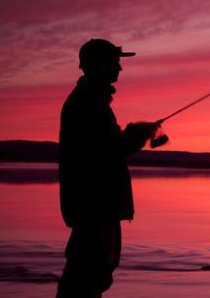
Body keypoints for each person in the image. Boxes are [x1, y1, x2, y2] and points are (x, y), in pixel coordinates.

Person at [56, 38, 160, 298]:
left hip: (98, 207)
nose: (119, 68)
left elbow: (107, 146)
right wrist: (138, 134)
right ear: (98, 64)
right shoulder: (87, 103)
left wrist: (136, 132)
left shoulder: (93, 101)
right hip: (94, 207)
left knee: (95, 275)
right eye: (115, 62)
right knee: (86, 277)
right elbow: (108, 150)